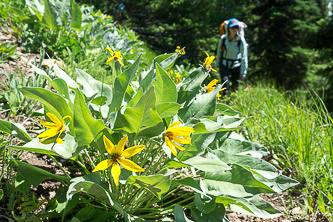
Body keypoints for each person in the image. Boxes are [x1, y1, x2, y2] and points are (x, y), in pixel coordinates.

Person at [216, 18, 248, 94]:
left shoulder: (241, 40)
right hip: (224, 63)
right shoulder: (223, 39)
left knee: (236, 85)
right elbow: (219, 52)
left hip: (237, 64)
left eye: (236, 27)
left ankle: (233, 99)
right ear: (228, 28)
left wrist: (244, 72)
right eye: (232, 27)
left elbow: (244, 56)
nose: (234, 29)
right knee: (225, 82)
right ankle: (225, 99)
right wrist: (217, 64)